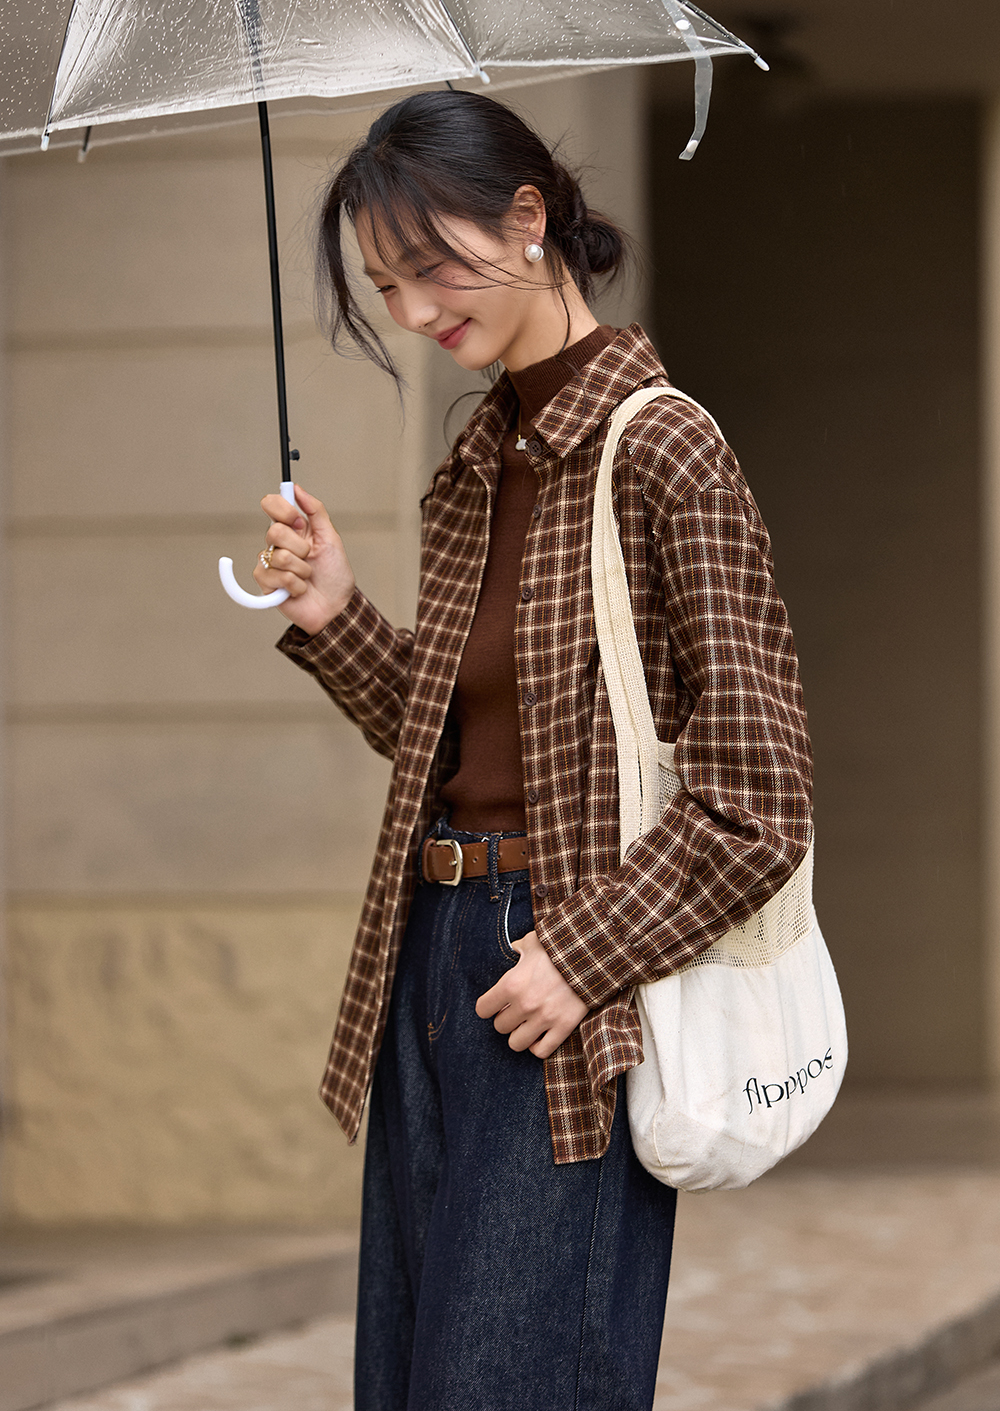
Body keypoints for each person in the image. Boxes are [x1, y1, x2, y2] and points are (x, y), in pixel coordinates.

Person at [253, 89, 813, 1411]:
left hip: (564, 967)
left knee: (509, 1387)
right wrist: (335, 613)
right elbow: (450, 750)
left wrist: (580, 955)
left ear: (528, 215)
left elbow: (761, 795)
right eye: (383, 286)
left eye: (429, 266)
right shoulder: (480, 462)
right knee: (413, 1381)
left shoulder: (664, 452)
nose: (410, 312)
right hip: (435, 957)